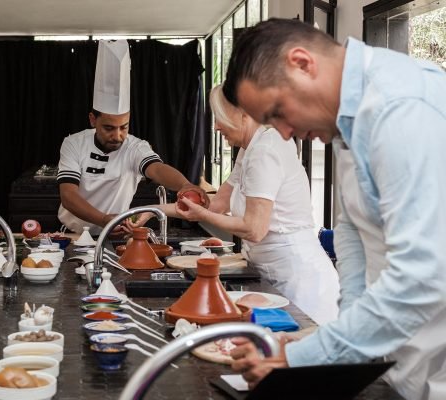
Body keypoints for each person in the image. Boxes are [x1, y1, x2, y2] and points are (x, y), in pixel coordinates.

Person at [222, 18, 446, 400]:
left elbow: (422, 277)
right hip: (401, 360)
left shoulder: (401, 109)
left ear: (302, 63)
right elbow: (354, 235)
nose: (285, 132)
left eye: (277, 111)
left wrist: (308, 354)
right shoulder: (349, 125)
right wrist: (342, 343)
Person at [164, 84, 339, 324]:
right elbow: (215, 205)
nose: (216, 127)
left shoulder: (266, 150)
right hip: (270, 271)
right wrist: (151, 212)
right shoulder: (249, 149)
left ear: (244, 115)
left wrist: (201, 215)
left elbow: (255, 229)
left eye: (219, 118)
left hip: (299, 279)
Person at [57, 40, 206, 235]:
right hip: (74, 234)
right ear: (93, 120)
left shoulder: (135, 147)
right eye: (109, 128)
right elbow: (68, 195)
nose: (117, 136)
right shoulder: (74, 144)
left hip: (117, 234)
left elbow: (158, 170)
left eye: (123, 127)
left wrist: (185, 185)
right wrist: (103, 220)